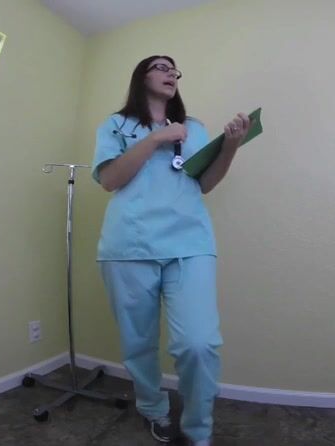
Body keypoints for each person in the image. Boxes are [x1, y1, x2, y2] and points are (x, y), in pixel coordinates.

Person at [91, 55, 250, 446]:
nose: (171, 74)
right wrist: (156, 138)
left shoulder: (193, 128)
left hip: (189, 243)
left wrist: (230, 147)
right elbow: (110, 179)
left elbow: (205, 183)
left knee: (199, 343)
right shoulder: (116, 125)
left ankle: (198, 430)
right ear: (141, 76)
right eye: (161, 67)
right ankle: (153, 408)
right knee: (138, 343)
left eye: (174, 70)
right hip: (129, 245)